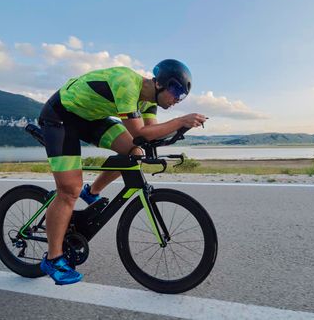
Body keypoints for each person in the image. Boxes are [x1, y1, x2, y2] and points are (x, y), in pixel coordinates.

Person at [38, 59, 207, 285]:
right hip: (61, 116)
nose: (178, 98)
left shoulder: (148, 103)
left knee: (134, 152)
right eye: (176, 90)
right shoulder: (127, 83)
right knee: (69, 190)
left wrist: (178, 130)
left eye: (182, 95)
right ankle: (53, 258)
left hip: (91, 119)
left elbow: (148, 136)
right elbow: (141, 132)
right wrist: (180, 121)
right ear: (160, 83)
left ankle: (93, 192)